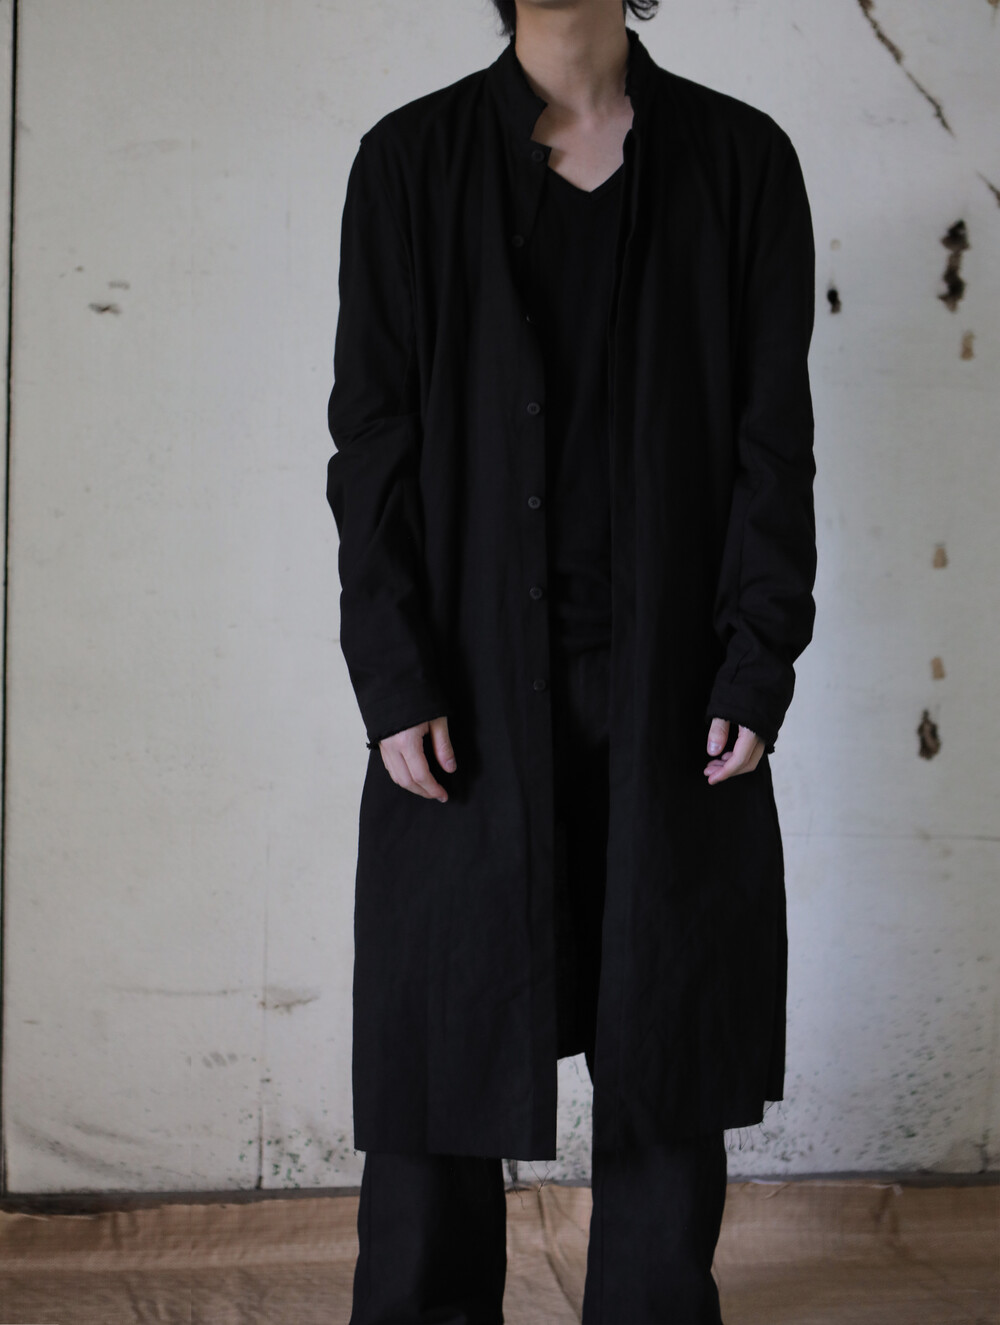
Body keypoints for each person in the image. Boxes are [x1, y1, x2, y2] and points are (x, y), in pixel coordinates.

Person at [326, 0, 817, 1319]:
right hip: (466, 691)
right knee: (440, 1048)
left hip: (674, 690)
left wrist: (756, 662)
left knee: (666, 1044)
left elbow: (774, 444)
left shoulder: (740, 162)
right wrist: (393, 673)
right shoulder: (408, 165)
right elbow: (371, 446)